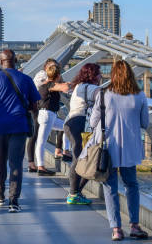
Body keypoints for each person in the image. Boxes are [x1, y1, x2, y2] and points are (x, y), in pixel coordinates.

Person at [87, 60, 149, 241]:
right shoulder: (140, 96)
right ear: (131, 75)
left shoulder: (104, 94)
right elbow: (145, 123)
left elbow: (93, 122)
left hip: (108, 148)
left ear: (112, 75)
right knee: (132, 185)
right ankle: (135, 226)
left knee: (110, 187)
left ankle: (116, 229)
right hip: (130, 148)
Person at [0, 49, 39, 212]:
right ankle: (14, 201)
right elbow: (35, 105)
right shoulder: (26, 79)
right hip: (18, 126)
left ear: (2, 61)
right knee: (16, 163)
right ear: (15, 60)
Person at [64, 63, 102, 205]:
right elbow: (106, 101)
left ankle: (76, 192)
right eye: (99, 73)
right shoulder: (94, 88)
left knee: (82, 157)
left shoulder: (78, 87)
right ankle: (74, 193)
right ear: (93, 75)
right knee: (87, 157)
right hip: (81, 124)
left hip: (70, 123)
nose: (101, 76)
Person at [35, 62, 70, 176]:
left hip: (49, 115)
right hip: (47, 114)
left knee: (66, 127)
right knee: (41, 141)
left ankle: (66, 150)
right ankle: (40, 167)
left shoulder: (46, 84)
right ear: (58, 75)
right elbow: (65, 87)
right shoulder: (50, 85)